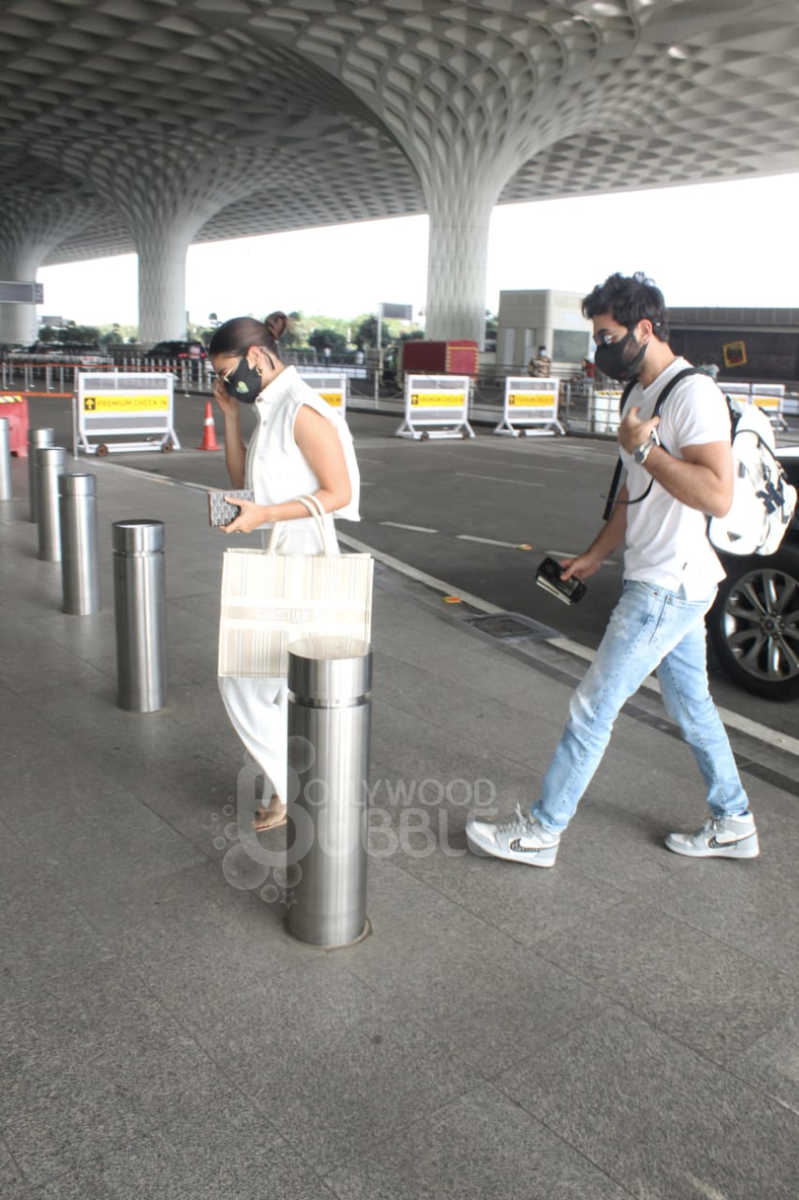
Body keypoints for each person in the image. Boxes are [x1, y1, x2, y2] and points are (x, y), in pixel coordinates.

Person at [467, 271, 758, 867]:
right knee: (692, 707)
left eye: (606, 336)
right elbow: (633, 493)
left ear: (644, 329)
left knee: (593, 705)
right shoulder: (637, 396)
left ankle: (541, 831)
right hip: (664, 576)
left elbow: (718, 495)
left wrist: (646, 447)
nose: (599, 348)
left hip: (667, 583)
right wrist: (595, 555)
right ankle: (734, 821)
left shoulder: (693, 395)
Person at [210, 313, 360, 832]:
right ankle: (293, 783)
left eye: (227, 373)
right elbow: (243, 481)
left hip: (305, 560)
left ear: (255, 356)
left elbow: (339, 493)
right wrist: (230, 418)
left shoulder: (301, 409)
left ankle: (293, 786)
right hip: (280, 556)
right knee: (266, 683)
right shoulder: (270, 409)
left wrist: (266, 514)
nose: (227, 382)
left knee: (245, 680)